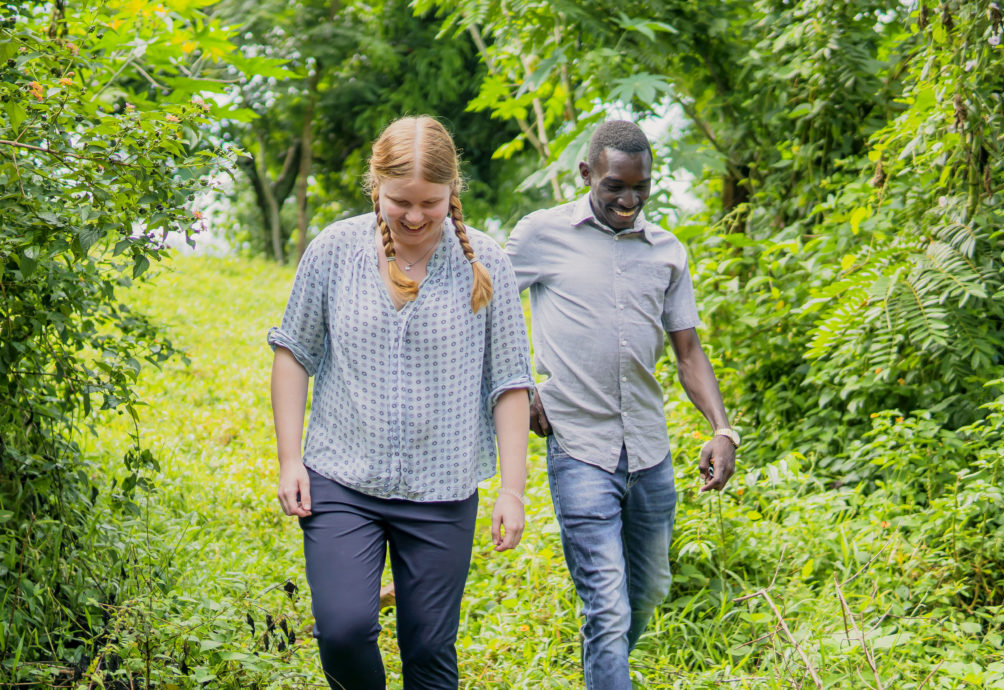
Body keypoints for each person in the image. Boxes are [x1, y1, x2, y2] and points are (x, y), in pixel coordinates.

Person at [267, 115, 533, 690]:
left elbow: (510, 383)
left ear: (452, 193)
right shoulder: (334, 250)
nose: (414, 217)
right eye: (400, 201)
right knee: (342, 629)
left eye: (430, 203)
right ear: (375, 188)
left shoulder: (485, 264)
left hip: (443, 489)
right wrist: (290, 460)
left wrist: (512, 491)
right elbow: (293, 353)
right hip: (341, 478)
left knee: (430, 649)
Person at [504, 119, 738, 689]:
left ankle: (601, 671)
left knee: (647, 591)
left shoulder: (668, 252)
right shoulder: (540, 235)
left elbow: (688, 351)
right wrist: (519, 384)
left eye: (641, 188)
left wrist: (723, 429)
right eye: (614, 187)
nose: (629, 201)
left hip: (651, 455)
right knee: (606, 610)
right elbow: (482, 308)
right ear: (586, 174)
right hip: (580, 449)